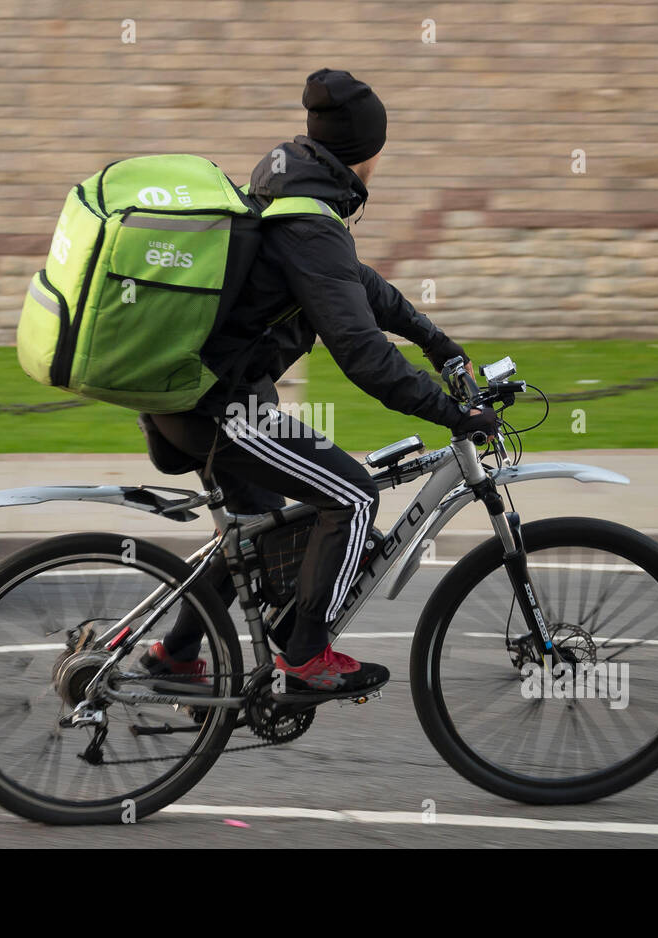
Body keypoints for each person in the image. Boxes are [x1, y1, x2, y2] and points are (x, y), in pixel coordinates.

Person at [140, 68, 500, 698]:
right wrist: (452, 414)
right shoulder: (311, 222)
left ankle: (176, 654)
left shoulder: (294, 196)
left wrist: (437, 343)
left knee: (254, 534)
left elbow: (357, 285)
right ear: (368, 153)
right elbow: (363, 355)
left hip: (200, 396)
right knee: (353, 496)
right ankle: (305, 658)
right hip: (219, 409)